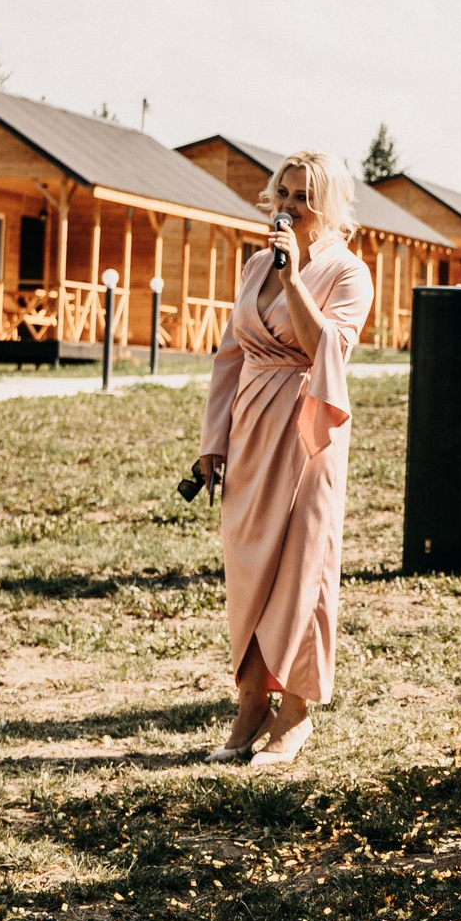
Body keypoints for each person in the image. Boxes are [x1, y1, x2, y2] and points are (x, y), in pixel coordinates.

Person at [194, 151, 372, 766]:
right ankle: (249, 703)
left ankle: (294, 712)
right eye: (284, 193)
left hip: (307, 430)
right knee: (248, 568)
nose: (290, 207)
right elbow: (229, 354)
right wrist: (213, 440)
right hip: (248, 428)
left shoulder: (349, 274)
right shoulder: (250, 267)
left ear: (330, 206)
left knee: (303, 570)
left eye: (305, 196)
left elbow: (328, 349)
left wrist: (294, 278)